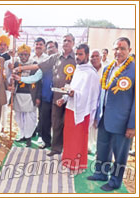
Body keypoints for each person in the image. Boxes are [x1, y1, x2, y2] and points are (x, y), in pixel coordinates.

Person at [13, 33, 76, 156]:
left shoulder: (77, 58)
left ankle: (70, 150)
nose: (66, 43)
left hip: (73, 96)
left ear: (73, 43)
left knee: (70, 123)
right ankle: (56, 149)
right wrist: (20, 69)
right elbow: (38, 67)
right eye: (64, 40)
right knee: (56, 122)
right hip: (55, 95)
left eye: (69, 41)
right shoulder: (55, 58)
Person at [87, 37, 135, 191]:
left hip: (123, 122)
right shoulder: (108, 68)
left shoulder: (134, 70)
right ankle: (101, 173)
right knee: (102, 148)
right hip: (104, 118)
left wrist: (133, 125)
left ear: (129, 51)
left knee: (120, 154)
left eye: (123, 49)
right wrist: (96, 116)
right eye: (116, 48)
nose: (119, 52)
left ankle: (115, 181)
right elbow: (102, 94)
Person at [56, 44, 100, 174]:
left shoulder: (92, 74)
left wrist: (75, 94)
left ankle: (78, 164)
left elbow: (92, 96)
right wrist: (64, 98)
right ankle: (68, 160)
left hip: (83, 111)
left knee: (78, 139)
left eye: (80, 54)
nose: (77, 57)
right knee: (69, 136)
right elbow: (73, 88)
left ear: (87, 55)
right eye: (76, 54)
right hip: (71, 108)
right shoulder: (78, 69)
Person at [12, 44, 40, 147]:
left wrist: (38, 97)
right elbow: (12, 79)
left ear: (29, 55)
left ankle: (29, 137)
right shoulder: (16, 63)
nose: (23, 57)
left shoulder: (34, 64)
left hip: (30, 95)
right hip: (18, 94)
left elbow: (39, 82)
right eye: (21, 55)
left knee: (30, 117)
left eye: (25, 54)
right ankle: (22, 134)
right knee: (19, 116)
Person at [31, 37, 48, 145]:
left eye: (40, 44)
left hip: (42, 88)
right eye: (36, 44)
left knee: (41, 113)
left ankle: (41, 135)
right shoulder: (30, 57)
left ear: (44, 46)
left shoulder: (47, 58)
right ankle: (31, 131)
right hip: (30, 88)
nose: (38, 46)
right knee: (30, 112)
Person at [88, 49, 103, 154]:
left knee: (99, 126)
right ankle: (88, 147)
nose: (94, 58)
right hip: (89, 102)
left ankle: (99, 149)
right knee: (89, 125)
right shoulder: (88, 70)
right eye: (92, 56)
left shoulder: (106, 69)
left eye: (96, 56)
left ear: (101, 57)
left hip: (102, 102)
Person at [0, 35, 12, 134]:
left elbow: (12, 72)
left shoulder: (10, 58)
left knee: (4, 106)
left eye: (4, 45)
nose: (2, 47)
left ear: (7, 46)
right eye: (0, 44)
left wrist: (10, 83)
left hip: (6, 86)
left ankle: (3, 126)